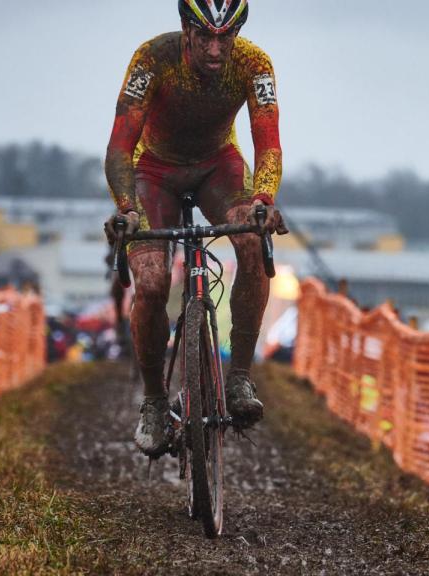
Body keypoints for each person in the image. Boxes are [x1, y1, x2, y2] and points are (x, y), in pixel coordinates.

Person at [103, 0, 286, 457]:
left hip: (216, 167)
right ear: (185, 27)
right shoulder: (152, 59)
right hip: (154, 172)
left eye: (226, 37)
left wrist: (264, 200)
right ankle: (153, 401)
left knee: (251, 240)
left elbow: (269, 145)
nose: (216, 49)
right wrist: (126, 208)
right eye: (205, 35)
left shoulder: (254, 64)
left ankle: (240, 378)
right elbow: (119, 147)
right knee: (151, 282)